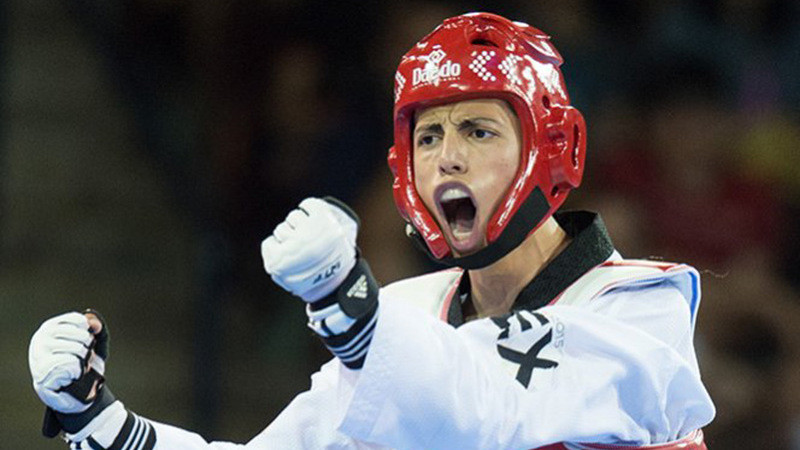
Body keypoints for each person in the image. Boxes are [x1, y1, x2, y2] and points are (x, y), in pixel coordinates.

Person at [27, 12, 715, 449]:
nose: (447, 155)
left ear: (554, 149)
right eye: (429, 135)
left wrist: (350, 307)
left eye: (478, 129)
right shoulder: (409, 317)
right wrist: (104, 424)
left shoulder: (643, 310)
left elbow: (487, 410)